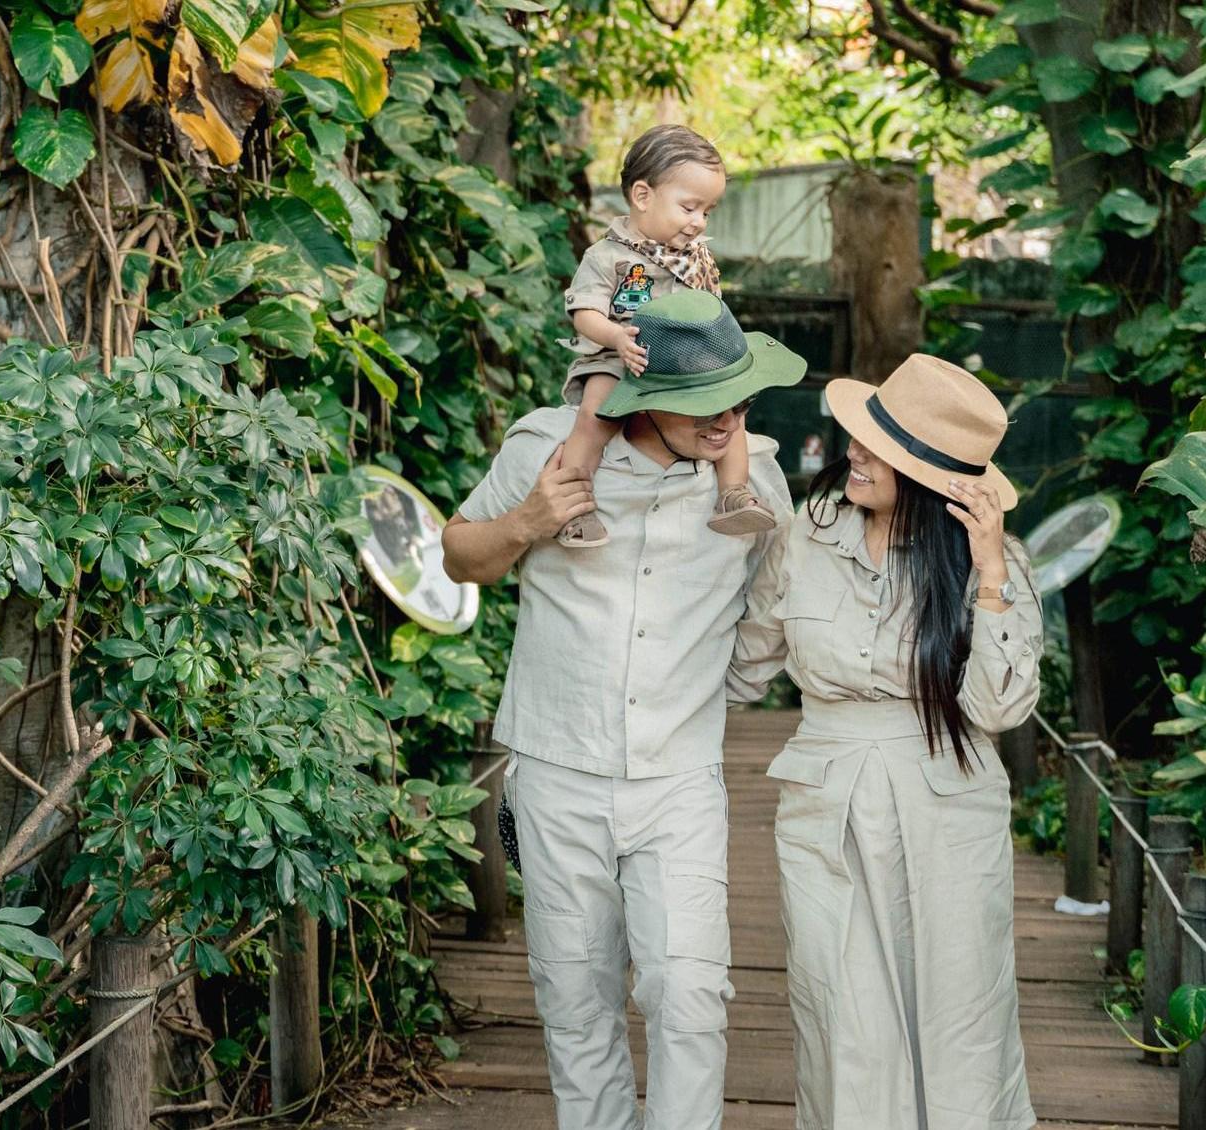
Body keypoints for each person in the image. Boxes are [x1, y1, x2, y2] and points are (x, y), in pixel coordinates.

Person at [442, 290, 803, 1130]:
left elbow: (773, 612)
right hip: (555, 769)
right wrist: (529, 520)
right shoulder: (547, 446)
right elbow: (460, 556)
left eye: (739, 401)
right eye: (705, 405)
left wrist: (722, 693)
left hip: (679, 777)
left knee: (689, 990)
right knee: (575, 996)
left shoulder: (760, 485)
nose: (727, 422)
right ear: (646, 394)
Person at [728, 354, 1044, 1130]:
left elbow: (1000, 709)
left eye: (877, 446)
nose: (852, 453)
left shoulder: (984, 560)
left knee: (959, 1015)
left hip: (949, 806)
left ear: (929, 475)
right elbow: (741, 664)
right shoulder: (806, 536)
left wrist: (993, 571)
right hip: (826, 803)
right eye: (860, 437)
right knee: (842, 1013)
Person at [554, 124, 773, 548]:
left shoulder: (696, 260)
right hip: (620, 355)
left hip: (688, 364)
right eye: (690, 207)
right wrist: (617, 338)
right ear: (642, 196)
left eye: (707, 212)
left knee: (731, 416)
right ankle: (576, 506)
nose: (698, 222)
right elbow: (584, 313)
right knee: (594, 415)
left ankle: (734, 495)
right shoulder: (608, 256)